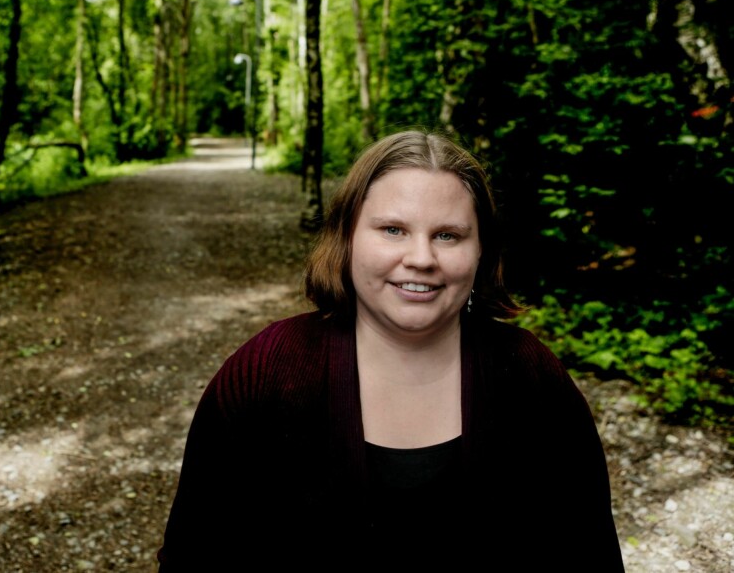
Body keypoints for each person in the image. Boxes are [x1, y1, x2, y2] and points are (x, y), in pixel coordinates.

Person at [156, 128, 624, 571]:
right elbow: (192, 555)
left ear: (481, 251)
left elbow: (591, 556)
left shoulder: (530, 377)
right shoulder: (266, 372)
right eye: (393, 230)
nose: (421, 258)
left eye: (448, 235)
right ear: (347, 238)